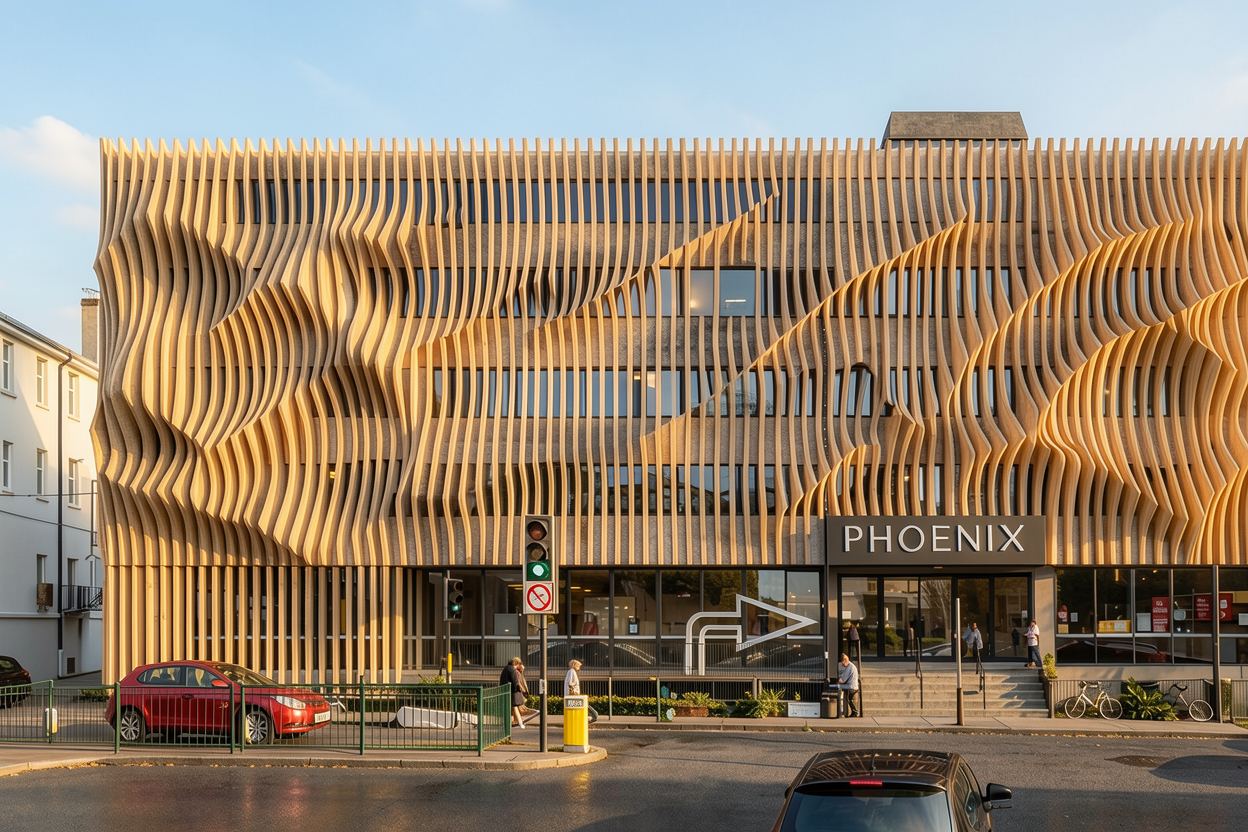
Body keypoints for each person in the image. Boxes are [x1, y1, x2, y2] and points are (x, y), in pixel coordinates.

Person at [500, 657, 531, 728]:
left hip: (507, 690)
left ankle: (516, 721)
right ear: (517, 664)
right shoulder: (513, 670)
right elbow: (516, 682)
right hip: (513, 692)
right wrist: (518, 690)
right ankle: (520, 722)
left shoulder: (508, 668)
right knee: (515, 706)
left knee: (514, 707)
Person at [564, 659, 598, 723]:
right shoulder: (572, 671)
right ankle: (594, 716)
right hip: (574, 694)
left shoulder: (571, 671)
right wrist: (573, 693)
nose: (579, 667)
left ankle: (592, 717)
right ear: (574, 665)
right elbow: (570, 683)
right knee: (584, 705)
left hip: (573, 694)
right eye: (578, 665)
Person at [836, 653, 860, 717]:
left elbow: (842, 680)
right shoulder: (851, 666)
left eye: (842, 663)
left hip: (851, 686)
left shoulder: (849, 667)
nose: (842, 665)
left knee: (837, 687)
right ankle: (853, 712)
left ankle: (854, 711)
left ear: (845, 660)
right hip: (853, 685)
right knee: (850, 699)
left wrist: (837, 679)